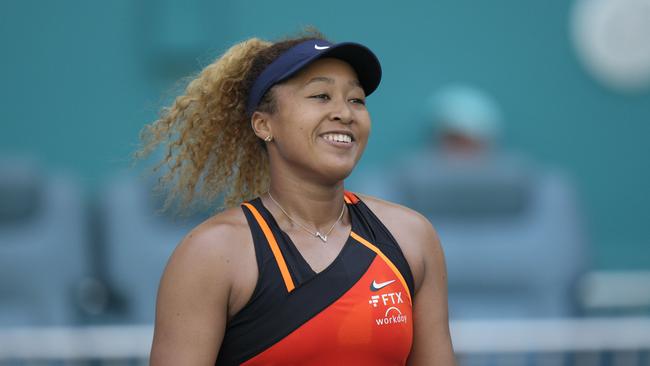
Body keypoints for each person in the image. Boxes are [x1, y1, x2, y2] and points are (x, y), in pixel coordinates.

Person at [139, 30, 455, 365]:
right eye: (321, 96)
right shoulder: (212, 253)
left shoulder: (411, 238)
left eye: (356, 100)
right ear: (263, 125)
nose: (344, 113)